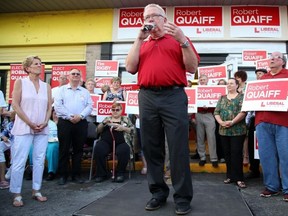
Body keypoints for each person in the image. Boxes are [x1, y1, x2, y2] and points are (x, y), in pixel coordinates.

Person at [125, 4, 199, 215]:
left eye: (152, 16)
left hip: (173, 96)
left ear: (163, 19)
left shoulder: (177, 39)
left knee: (177, 148)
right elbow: (130, 68)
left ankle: (183, 197)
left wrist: (183, 41)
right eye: (145, 17)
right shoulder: (143, 43)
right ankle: (158, 192)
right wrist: (138, 39)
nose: (148, 20)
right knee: (151, 147)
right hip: (147, 97)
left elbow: (192, 67)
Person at [10, 55, 52, 207]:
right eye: (36, 64)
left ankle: (36, 190)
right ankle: (17, 194)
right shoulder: (20, 82)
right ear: (27, 68)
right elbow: (15, 105)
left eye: (40, 63)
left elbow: (49, 108)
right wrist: (29, 123)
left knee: (39, 160)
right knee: (19, 161)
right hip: (23, 127)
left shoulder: (46, 86)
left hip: (42, 127)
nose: (39, 66)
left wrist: (46, 121)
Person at [255, 51, 288, 201]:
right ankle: (272, 187)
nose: (272, 59)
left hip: (283, 122)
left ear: (283, 61)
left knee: (285, 156)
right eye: (271, 57)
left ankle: (287, 188)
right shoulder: (263, 79)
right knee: (266, 156)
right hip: (262, 122)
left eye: (276, 57)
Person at [54, 68, 92, 185]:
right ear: (68, 77)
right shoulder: (61, 90)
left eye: (77, 74)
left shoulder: (85, 91)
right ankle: (62, 175)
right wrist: (71, 116)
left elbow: (90, 106)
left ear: (80, 77)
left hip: (81, 123)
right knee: (64, 149)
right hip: (65, 123)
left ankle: (76, 175)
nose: (75, 75)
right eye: (73, 74)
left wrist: (80, 116)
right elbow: (58, 106)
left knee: (78, 150)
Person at [214, 78, 247, 189]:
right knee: (227, 154)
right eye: (228, 84)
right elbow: (216, 112)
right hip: (224, 131)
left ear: (237, 85)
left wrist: (232, 122)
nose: (229, 85)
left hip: (237, 131)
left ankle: (239, 178)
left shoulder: (242, 97)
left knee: (236, 154)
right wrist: (221, 122)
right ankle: (230, 176)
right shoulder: (222, 98)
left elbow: (243, 112)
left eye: (231, 83)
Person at [94, 103, 134, 183]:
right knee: (99, 148)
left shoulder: (126, 119)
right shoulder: (107, 118)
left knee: (124, 150)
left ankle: (120, 173)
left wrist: (123, 128)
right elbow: (97, 130)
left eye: (117, 110)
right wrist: (103, 123)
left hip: (121, 142)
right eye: (113, 110)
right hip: (106, 141)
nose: (115, 112)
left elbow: (132, 130)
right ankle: (101, 174)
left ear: (121, 110)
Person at [245, 68, 267, 179]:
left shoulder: (270, 86)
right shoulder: (252, 87)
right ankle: (254, 169)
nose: (258, 76)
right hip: (253, 119)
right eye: (257, 74)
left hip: (265, 118)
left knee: (265, 145)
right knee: (252, 145)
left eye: (260, 73)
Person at [192, 74, 218, 167]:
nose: (202, 81)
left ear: (207, 81)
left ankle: (213, 158)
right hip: (198, 115)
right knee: (200, 138)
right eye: (201, 80)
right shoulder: (195, 90)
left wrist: (209, 106)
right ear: (199, 81)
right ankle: (202, 157)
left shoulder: (212, 90)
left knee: (211, 137)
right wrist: (193, 117)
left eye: (204, 80)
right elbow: (192, 104)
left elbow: (216, 103)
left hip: (209, 115)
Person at [0, 111, 15, 189]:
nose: (10, 117)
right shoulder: (9, 124)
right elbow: (2, 133)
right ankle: (3, 167)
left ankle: (8, 174)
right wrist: (3, 137)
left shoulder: (21, 125)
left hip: (17, 144)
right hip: (10, 142)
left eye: (12, 116)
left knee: (14, 157)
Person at [215, 79, 227, 163]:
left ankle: (225, 155)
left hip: (226, 119)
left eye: (223, 84)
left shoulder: (227, 95)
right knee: (218, 137)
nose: (221, 85)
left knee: (225, 139)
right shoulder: (214, 93)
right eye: (220, 84)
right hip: (216, 118)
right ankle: (220, 155)